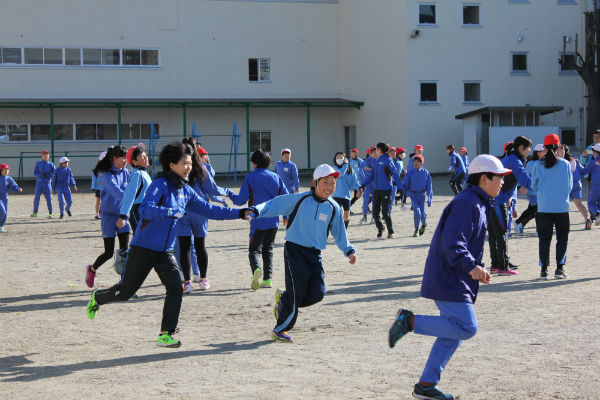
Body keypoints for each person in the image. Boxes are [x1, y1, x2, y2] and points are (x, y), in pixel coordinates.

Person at [86, 142, 253, 348]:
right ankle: (98, 298)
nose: (189, 167)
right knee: (125, 292)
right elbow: (146, 209)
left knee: (175, 288)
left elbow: (210, 210)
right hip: (144, 247)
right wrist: (168, 212)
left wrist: (239, 213)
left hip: (165, 251)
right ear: (172, 164)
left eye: (191, 163)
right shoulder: (160, 185)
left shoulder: (186, 190)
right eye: (185, 163)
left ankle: (166, 333)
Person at [388, 154, 507, 400]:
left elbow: (466, 243)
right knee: (466, 327)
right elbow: (452, 242)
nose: (503, 182)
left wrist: (477, 268)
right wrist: (470, 266)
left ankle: (426, 385)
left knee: (452, 334)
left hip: (455, 275)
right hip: (449, 276)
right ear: (484, 179)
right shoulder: (468, 203)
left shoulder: (477, 201)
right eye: (500, 177)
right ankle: (408, 322)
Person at [251, 164, 357, 343]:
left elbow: (339, 232)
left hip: (315, 254)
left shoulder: (333, 207)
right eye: (325, 182)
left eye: (333, 183)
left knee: (318, 293)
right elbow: (275, 204)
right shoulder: (300, 200)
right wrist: (257, 210)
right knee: (297, 292)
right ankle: (280, 329)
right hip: (294, 251)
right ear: (315, 183)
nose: (330, 187)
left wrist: (349, 250)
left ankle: (284, 299)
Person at [176, 137, 233, 293]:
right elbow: (212, 189)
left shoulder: (177, 166)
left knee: (184, 246)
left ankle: (187, 282)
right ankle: (203, 280)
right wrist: (226, 192)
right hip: (200, 210)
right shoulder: (201, 167)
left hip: (182, 210)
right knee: (200, 246)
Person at [229, 149, 289, 290]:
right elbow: (286, 198)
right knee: (268, 249)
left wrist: (229, 194)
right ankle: (268, 279)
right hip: (273, 220)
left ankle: (256, 270)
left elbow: (240, 201)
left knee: (254, 250)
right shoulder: (276, 177)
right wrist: (285, 216)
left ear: (254, 163)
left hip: (257, 220)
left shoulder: (250, 177)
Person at [85, 146, 131, 288]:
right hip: (108, 216)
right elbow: (117, 192)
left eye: (126, 157)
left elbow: (137, 187)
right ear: (114, 159)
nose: (125, 161)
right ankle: (92, 270)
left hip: (123, 215)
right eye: (122, 157)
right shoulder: (106, 175)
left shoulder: (128, 173)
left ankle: (125, 284)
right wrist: (131, 199)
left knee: (125, 251)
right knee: (109, 252)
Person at [531, 134, 573, 280]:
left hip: (544, 207)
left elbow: (533, 185)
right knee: (562, 238)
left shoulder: (538, 165)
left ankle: (544, 270)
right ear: (558, 146)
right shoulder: (565, 164)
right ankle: (559, 269)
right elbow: (569, 186)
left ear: (544, 147)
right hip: (562, 207)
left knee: (544, 239)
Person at [489, 136, 532, 275]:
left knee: (494, 234)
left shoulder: (508, 159)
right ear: (521, 148)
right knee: (502, 233)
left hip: (491, 200)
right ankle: (503, 266)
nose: (530, 150)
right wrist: (541, 184)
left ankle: (495, 264)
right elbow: (524, 179)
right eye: (528, 148)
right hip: (498, 201)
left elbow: (512, 181)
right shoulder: (515, 161)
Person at [360, 142, 402, 239]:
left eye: (377, 149)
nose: (375, 150)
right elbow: (372, 175)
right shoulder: (377, 160)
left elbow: (395, 173)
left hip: (386, 189)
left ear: (381, 149)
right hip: (376, 189)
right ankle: (381, 228)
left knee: (385, 212)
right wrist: (363, 184)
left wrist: (400, 187)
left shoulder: (388, 160)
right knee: (375, 212)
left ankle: (391, 232)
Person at [117, 145, 152, 235]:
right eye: (141, 156)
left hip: (146, 210)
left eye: (145, 155)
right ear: (134, 161)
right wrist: (123, 216)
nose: (146, 157)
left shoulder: (144, 173)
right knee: (140, 238)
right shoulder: (136, 174)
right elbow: (129, 195)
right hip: (138, 211)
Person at [558, 144, 591, 229]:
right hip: (577, 184)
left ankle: (561, 224)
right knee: (579, 204)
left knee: (562, 204)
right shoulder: (575, 160)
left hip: (566, 185)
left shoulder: (559, 162)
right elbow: (583, 171)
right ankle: (587, 219)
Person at [514, 144, 545, 233]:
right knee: (538, 210)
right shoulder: (531, 163)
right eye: (543, 151)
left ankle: (518, 223)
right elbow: (525, 175)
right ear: (537, 152)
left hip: (540, 191)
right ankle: (538, 230)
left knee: (532, 210)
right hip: (532, 191)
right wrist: (523, 187)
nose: (545, 153)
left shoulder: (543, 162)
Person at [401, 154, 433, 237]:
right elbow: (405, 183)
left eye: (417, 162)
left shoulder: (426, 172)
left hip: (422, 195)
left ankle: (424, 224)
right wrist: (403, 191)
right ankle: (416, 229)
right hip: (413, 195)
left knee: (423, 214)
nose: (415, 163)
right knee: (417, 212)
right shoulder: (410, 172)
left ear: (421, 163)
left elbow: (429, 186)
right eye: (414, 161)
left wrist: (429, 198)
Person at [332, 151, 361, 228]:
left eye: (341, 157)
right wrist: (345, 164)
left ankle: (344, 231)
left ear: (345, 158)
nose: (339, 159)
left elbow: (355, 181)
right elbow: (341, 173)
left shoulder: (350, 170)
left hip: (346, 196)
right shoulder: (334, 168)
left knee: (346, 216)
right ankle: (338, 229)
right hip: (336, 195)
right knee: (340, 212)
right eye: (337, 158)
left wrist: (359, 188)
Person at [31, 150, 55, 218]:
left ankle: (51, 212)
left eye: (47, 155)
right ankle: (35, 213)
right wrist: (41, 175)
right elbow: (35, 173)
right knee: (37, 198)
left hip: (47, 183)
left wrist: (48, 175)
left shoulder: (51, 164)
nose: (46, 156)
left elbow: (54, 173)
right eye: (44, 155)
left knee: (49, 198)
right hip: (39, 183)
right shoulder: (38, 163)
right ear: (42, 156)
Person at [581, 143, 600, 225]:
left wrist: (578, 165)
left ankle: (598, 215)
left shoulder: (592, 162)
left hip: (596, 186)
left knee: (591, 203)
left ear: (595, 152)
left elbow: (584, 171)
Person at [0, 163, 22, 233]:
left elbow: (14, 186)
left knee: (5, 213)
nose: (7, 171)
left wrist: (18, 189)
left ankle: (1, 226)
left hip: (5, 197)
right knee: (2, 211)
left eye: (8, 170)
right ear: (1, 170)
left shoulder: (9, 179)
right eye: (5, 170)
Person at [359, 146, 376, 224]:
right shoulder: (365, 162)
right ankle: (364, 216)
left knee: (375, 201)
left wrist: (371, 169)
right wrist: (362, 184)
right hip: (367, 185)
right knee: (365, 200)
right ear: (370, 153)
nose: (375, 154)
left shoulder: (378, 161)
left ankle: (373, 217)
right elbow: (361, 174)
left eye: (377, 152)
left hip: (376, 185)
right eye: (373, 152)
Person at [91, 151, 106, 220]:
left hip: (106, 188)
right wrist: (93, 187)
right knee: (98, 201)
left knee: (105, 201)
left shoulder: (109, 168)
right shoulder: (97, 169)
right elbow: (94, 178)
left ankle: (103, 214)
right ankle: (97, 214)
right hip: (98, 188)